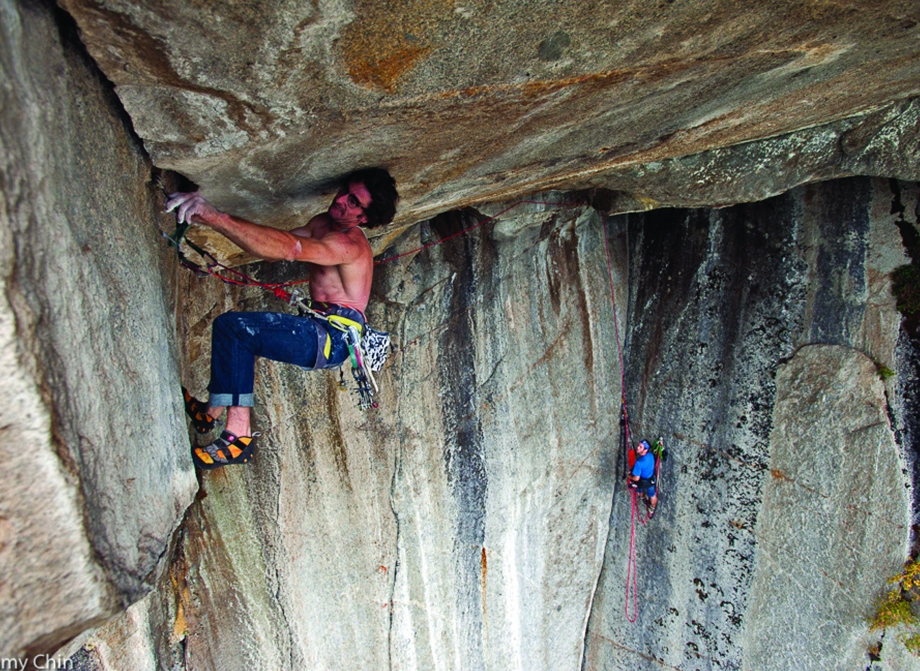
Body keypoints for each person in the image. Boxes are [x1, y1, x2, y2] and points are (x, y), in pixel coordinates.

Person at [167, 168, 399, 469]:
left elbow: (291, 249)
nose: (341, 199)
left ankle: (238, 438)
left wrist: (216, 217)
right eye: (345, 191)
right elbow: (274, 247)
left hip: (332, 338)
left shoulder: (348, 244)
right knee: (237, 331)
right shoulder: (321, 223)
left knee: (236, 330)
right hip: (321, 328)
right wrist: (210, 220)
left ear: (363, 218)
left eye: (353, 202)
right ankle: (208, 414)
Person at [628, 439, 658, 518]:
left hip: (642, 481)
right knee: (652, 495)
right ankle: (652, 508)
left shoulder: (639, 463)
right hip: (651, 479)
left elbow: (636, 478)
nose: (638, 447)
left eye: (640, 447)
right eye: (638, 446)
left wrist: (629, 476)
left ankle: (642, 497)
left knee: (639, 491)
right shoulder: (650, 455)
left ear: (645, 450)